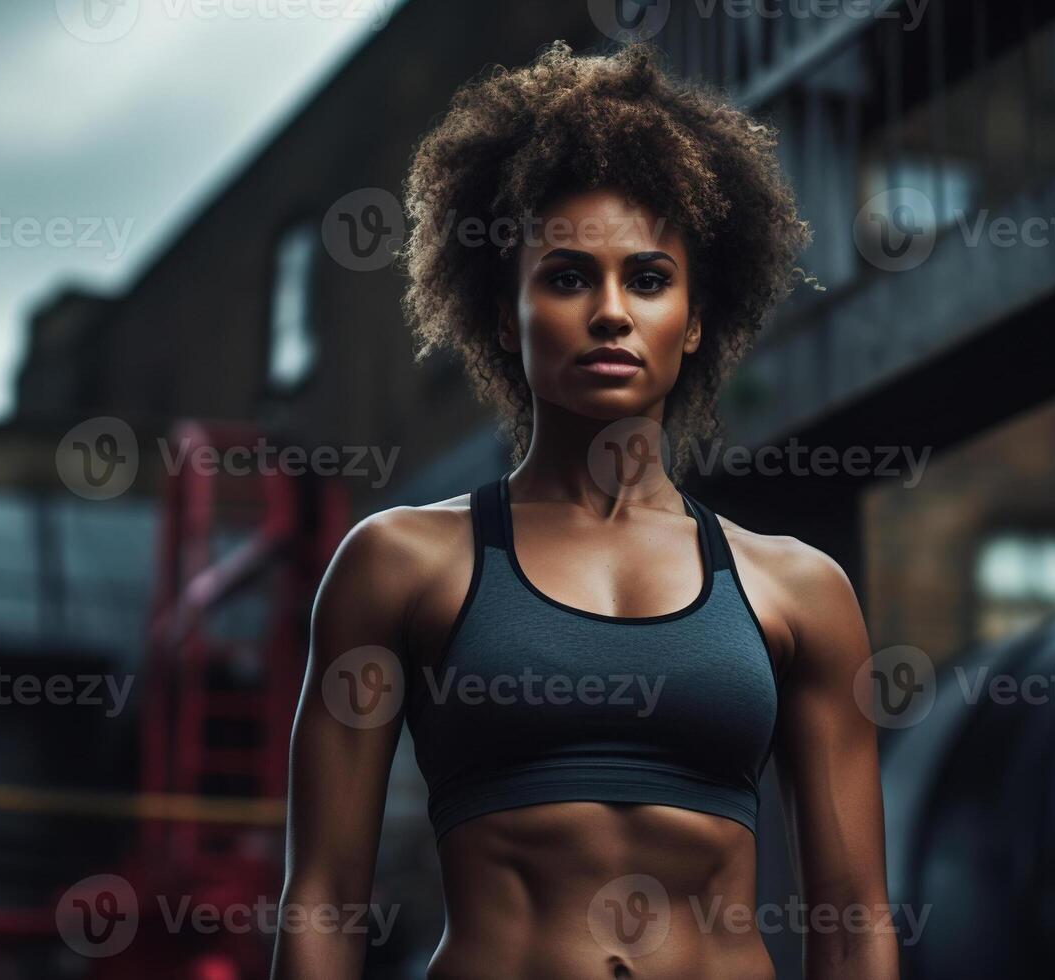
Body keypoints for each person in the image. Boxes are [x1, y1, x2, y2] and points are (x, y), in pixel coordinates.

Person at [273, 39, 897, 980]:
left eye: (647, 279)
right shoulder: (399, 563)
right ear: (502, 315)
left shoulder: (799, 590)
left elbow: (852, 918)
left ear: (692, 321)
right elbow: (322, 901)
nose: (610, 311)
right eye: (566, 277)